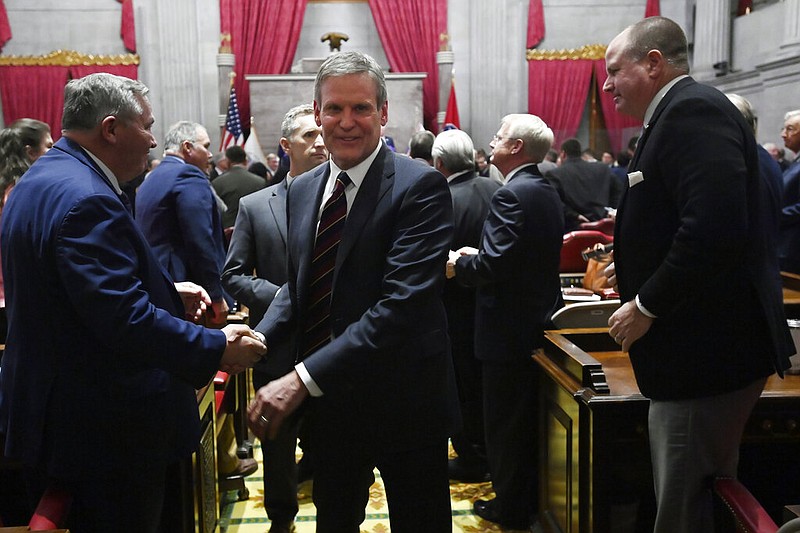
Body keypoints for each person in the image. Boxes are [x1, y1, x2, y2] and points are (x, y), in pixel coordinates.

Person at [0, 73, 266, 532]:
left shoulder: (43, 178)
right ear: (110, 129)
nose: (152, 139)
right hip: (102, 430)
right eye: (146, 125)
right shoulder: (86, 199)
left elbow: (76, 293)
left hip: (56, 412)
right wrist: (217, 346)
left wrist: (164, 290)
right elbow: (125, 321)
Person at [247, 51, 457, 533]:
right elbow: (298, 290)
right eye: (334, 109)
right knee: (334, 521)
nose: (346, 122)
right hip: (332, 405)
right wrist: (256, 340)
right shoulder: (301, 190)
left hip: (405, 403)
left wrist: (299, 379)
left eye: (361, 108)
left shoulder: (419, 186)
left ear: (383, 113)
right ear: (316, 112)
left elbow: (399, 306)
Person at [603, 17, 793, 532]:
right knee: (699, 494)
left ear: (654, 63)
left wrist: (646, 305)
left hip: (704, 354)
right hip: (703, 352)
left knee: (685, 506)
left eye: (615, 70)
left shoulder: (690, 110)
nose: (607, 84)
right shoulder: (680, 113)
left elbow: (712, 228)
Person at [446, 113, 564, 530]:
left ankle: (510, 507)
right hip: (535, 321)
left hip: (506, 331)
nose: (491, 142)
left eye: (498, 137)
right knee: (523, 422)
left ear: (515, 147)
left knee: (505, 425)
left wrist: (460, 264)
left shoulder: (512, 195)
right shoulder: (544, 188)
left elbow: (495, 264)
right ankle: (524, 500)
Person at [222, 103, 328, 533]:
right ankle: (280, 521)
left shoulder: (344, 198)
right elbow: (231, 274)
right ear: (286, 146)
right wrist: (283, 295)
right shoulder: (254, 204)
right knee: (277, 449)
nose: (320, 143)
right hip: (276, 347)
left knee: (335, 449)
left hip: (330, 348)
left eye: (322, 134)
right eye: (309, 136)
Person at [430, 129, 499, 484]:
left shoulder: (442, 199)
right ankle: (491, 454)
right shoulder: (498, 190)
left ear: (438, 163)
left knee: (462, 386)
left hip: (454, 309)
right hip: (495, 306)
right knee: (489, 388)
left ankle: (471, 455)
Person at [135, 121, 230, 327]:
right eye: (205, 146)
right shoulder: (188, 175)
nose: (210, 154)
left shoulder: (151, 179)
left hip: (158, 283)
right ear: (187, 147)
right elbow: (200, 241)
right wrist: (216, 295)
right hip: (188, 288)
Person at [544, 137, 623, 230]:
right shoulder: (602, 169)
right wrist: (610, 211)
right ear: (580, 153)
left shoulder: (554, 174)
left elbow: (554, 202)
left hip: (573, 228)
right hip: (603, 225)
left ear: (563, 154)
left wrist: (575, 215)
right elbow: (619, 192)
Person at [212, 144, 266, 229]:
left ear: (228, 162)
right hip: (253, 230)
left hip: (227, 233)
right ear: (245, 160)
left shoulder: (217, 183)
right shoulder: (260, 182)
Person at [780, 109, 800, 273]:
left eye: (790, 129)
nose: (783, 134)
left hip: (793, 248)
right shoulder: (796, 161)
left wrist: (774, 216)